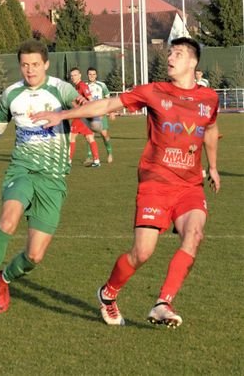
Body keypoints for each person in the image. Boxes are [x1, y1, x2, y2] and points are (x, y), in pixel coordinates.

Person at [32, 37, 220, 328]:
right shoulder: (154, 91)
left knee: (194, 235)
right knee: (141, 253)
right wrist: (63, 114)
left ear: (193, 62)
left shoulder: (209, 98)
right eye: (170, 52)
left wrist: (214, 167)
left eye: (178, 54)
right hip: (156, 183)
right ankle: (108, 294)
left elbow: (210, 129)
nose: (170, 58)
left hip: (190, 185)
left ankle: (163, 302)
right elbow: (108, 104)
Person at [0, 39, 81, 316]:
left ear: (46, 64)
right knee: (8, 220)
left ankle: (4, 278)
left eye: (35, 64)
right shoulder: (11, 94)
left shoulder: (62, 89)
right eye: (25, 65)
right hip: (21, 170)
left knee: (34, 256)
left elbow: (83, 110)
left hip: (53, 178)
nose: (30, 70)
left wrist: (84, 108)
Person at [68, 68, 101, 168]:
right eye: (71, 76)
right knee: (89, 137)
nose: (73, 77)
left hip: (81, 116)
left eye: (75, 75)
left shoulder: (82, 85)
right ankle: (96, 160)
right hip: (85, 116)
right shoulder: (77, 86)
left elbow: (90, 99)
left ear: (80, 75)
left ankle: (68, 161)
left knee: (71, 137)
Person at [85, 67, 114, 165]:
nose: (92, 76)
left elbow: (108, 99)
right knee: (89, 135)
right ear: (87, 75)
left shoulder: (102, 85)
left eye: (93, 74)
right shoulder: (84, 86)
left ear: (96, 75)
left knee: (104, 135)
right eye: (90, 74)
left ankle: (109, 153)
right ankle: (90, 156)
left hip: (101, 113)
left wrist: (111, 111)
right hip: (89, 114)